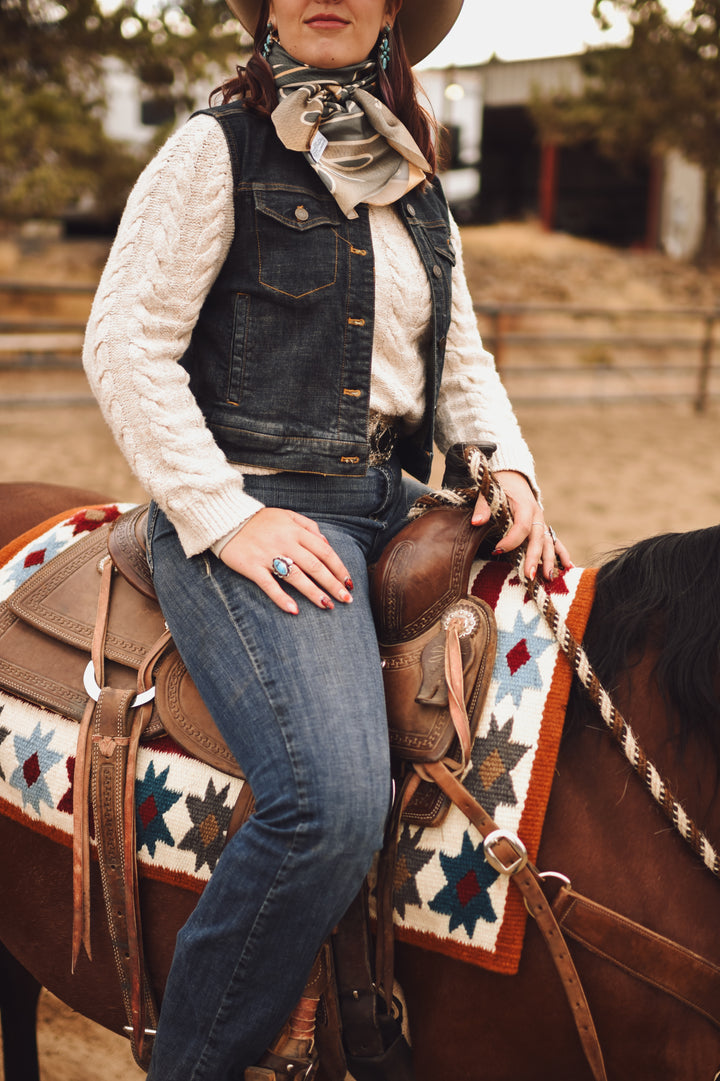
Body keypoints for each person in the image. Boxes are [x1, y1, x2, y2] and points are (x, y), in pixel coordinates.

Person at [83, 1, 572, 1077]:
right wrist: (228, 514)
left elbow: (459, 367)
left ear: (393, 10)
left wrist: (511, 465)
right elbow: (124, 347)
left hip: (391, 497)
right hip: (252, 506)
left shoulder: (409, 173)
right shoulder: (214, 152)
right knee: (329, 805)